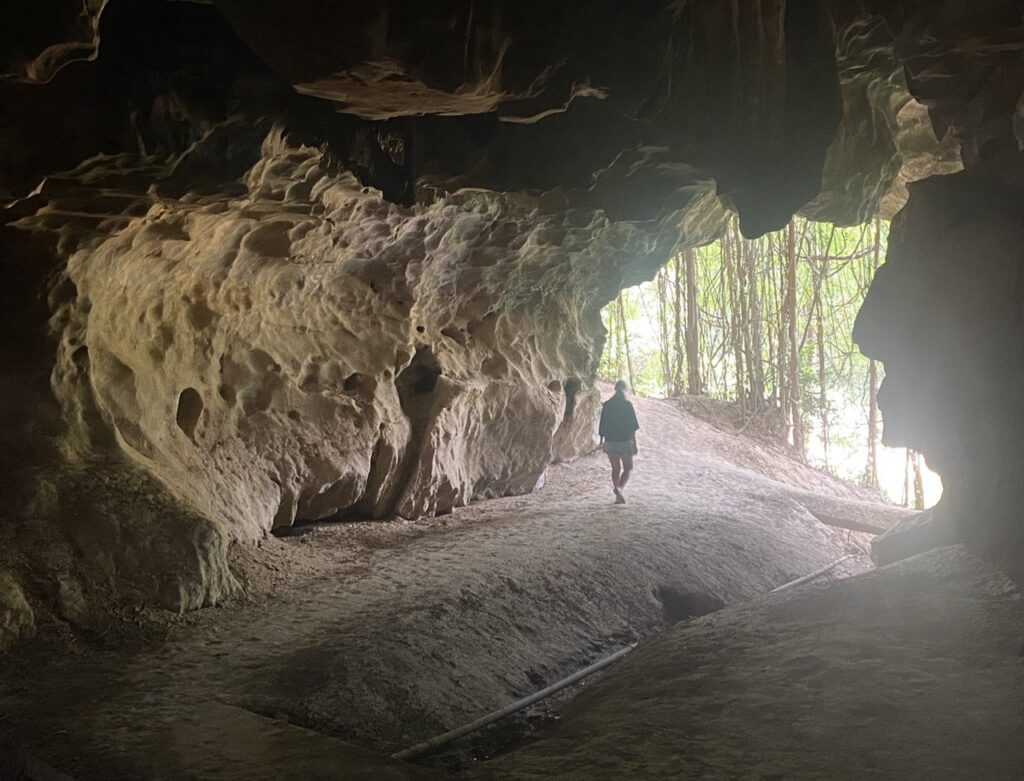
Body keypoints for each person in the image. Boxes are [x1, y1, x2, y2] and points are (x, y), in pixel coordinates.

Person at [598, 380, 639, 504]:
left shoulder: (607, 405)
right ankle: (619, 488)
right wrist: (635, 444)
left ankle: (618, 496)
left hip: (610, 441)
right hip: (625, 441)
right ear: (625, 390)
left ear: (615, 389)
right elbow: (632, 427)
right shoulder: (627, 405)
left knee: (615, 469)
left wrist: (602, 441)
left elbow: (602, 425)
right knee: (628, 468)